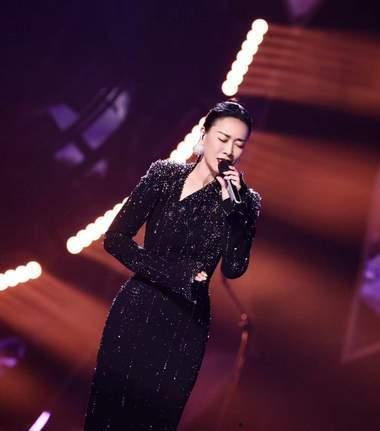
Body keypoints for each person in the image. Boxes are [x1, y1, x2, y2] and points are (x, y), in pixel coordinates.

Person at [84, 100, 261, 430]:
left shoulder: (245, 202)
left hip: (184, 325)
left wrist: (234, 213)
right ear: (204, 135)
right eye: (223, 138)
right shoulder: (164, 175)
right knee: (107, 413)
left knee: (153, 420)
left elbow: (234, 268)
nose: (229, 150)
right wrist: (177, 274)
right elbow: (115, 239)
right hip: (135, 309)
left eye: (239, 144)